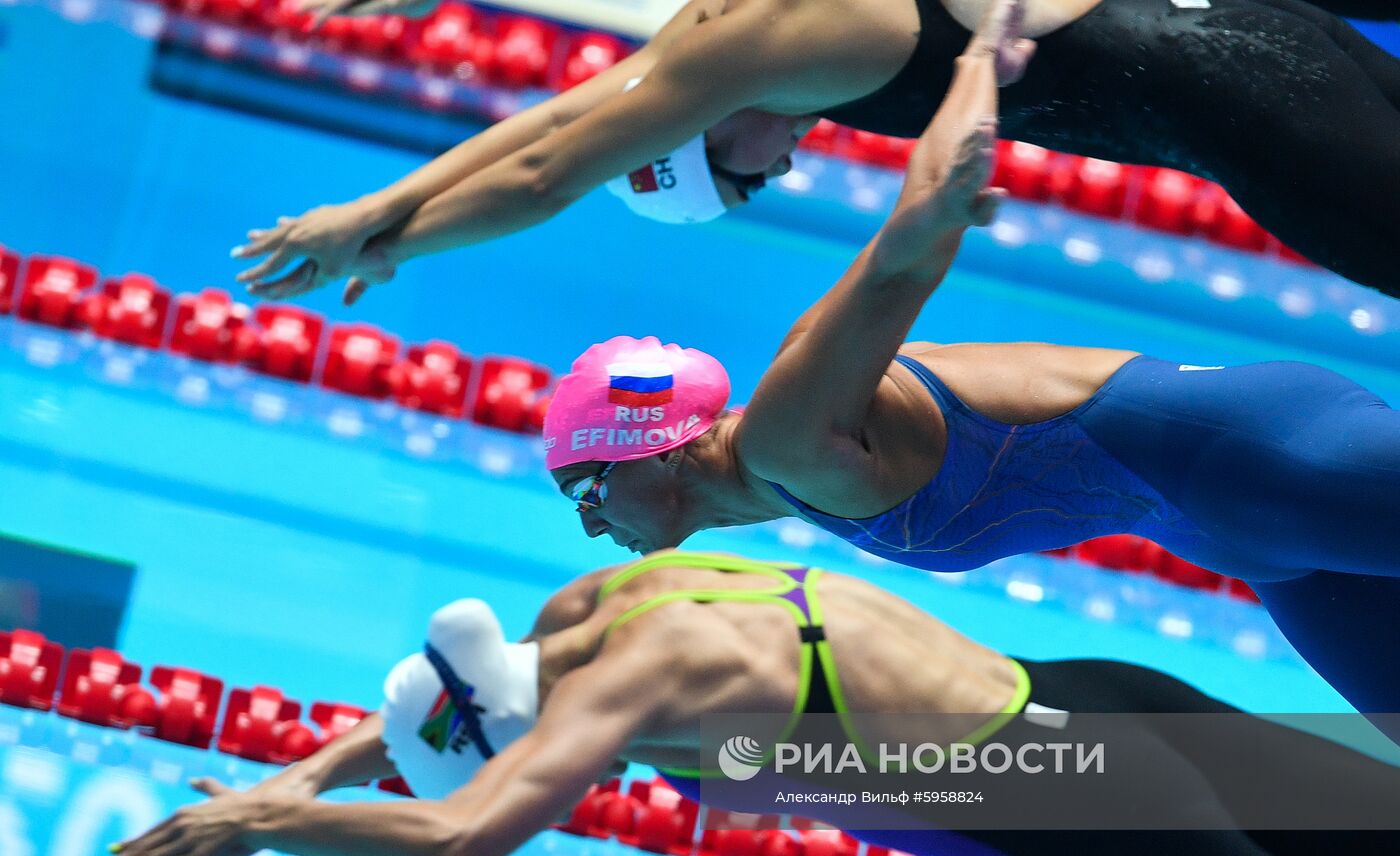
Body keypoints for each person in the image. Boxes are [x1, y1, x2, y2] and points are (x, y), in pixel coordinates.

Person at [539, 31, 1400, 741]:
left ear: (657, 446)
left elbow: (898, 262)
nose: (588, 518)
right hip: (1241, 535)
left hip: (1269, 462)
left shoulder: (784, 436)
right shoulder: (781, 477)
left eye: (586, 486)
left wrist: (980, 57)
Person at [100, 552, 1400, 856]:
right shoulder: (587, 614)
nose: (579, 775)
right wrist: (304, 770)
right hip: (1095, 696)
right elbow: (431, 719)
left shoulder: (629, 691)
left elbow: (453, 839)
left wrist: (263, 822)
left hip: (1069, 796)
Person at [229, 0, 1400, 301]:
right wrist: (379, 212)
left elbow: (549, 173)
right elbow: (554, 121)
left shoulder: (755, 53)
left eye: (747, 174)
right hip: (1276, 40)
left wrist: (385, 248)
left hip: (1250, 109)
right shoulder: (715, 35)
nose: (784, 164)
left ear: (686, 145)